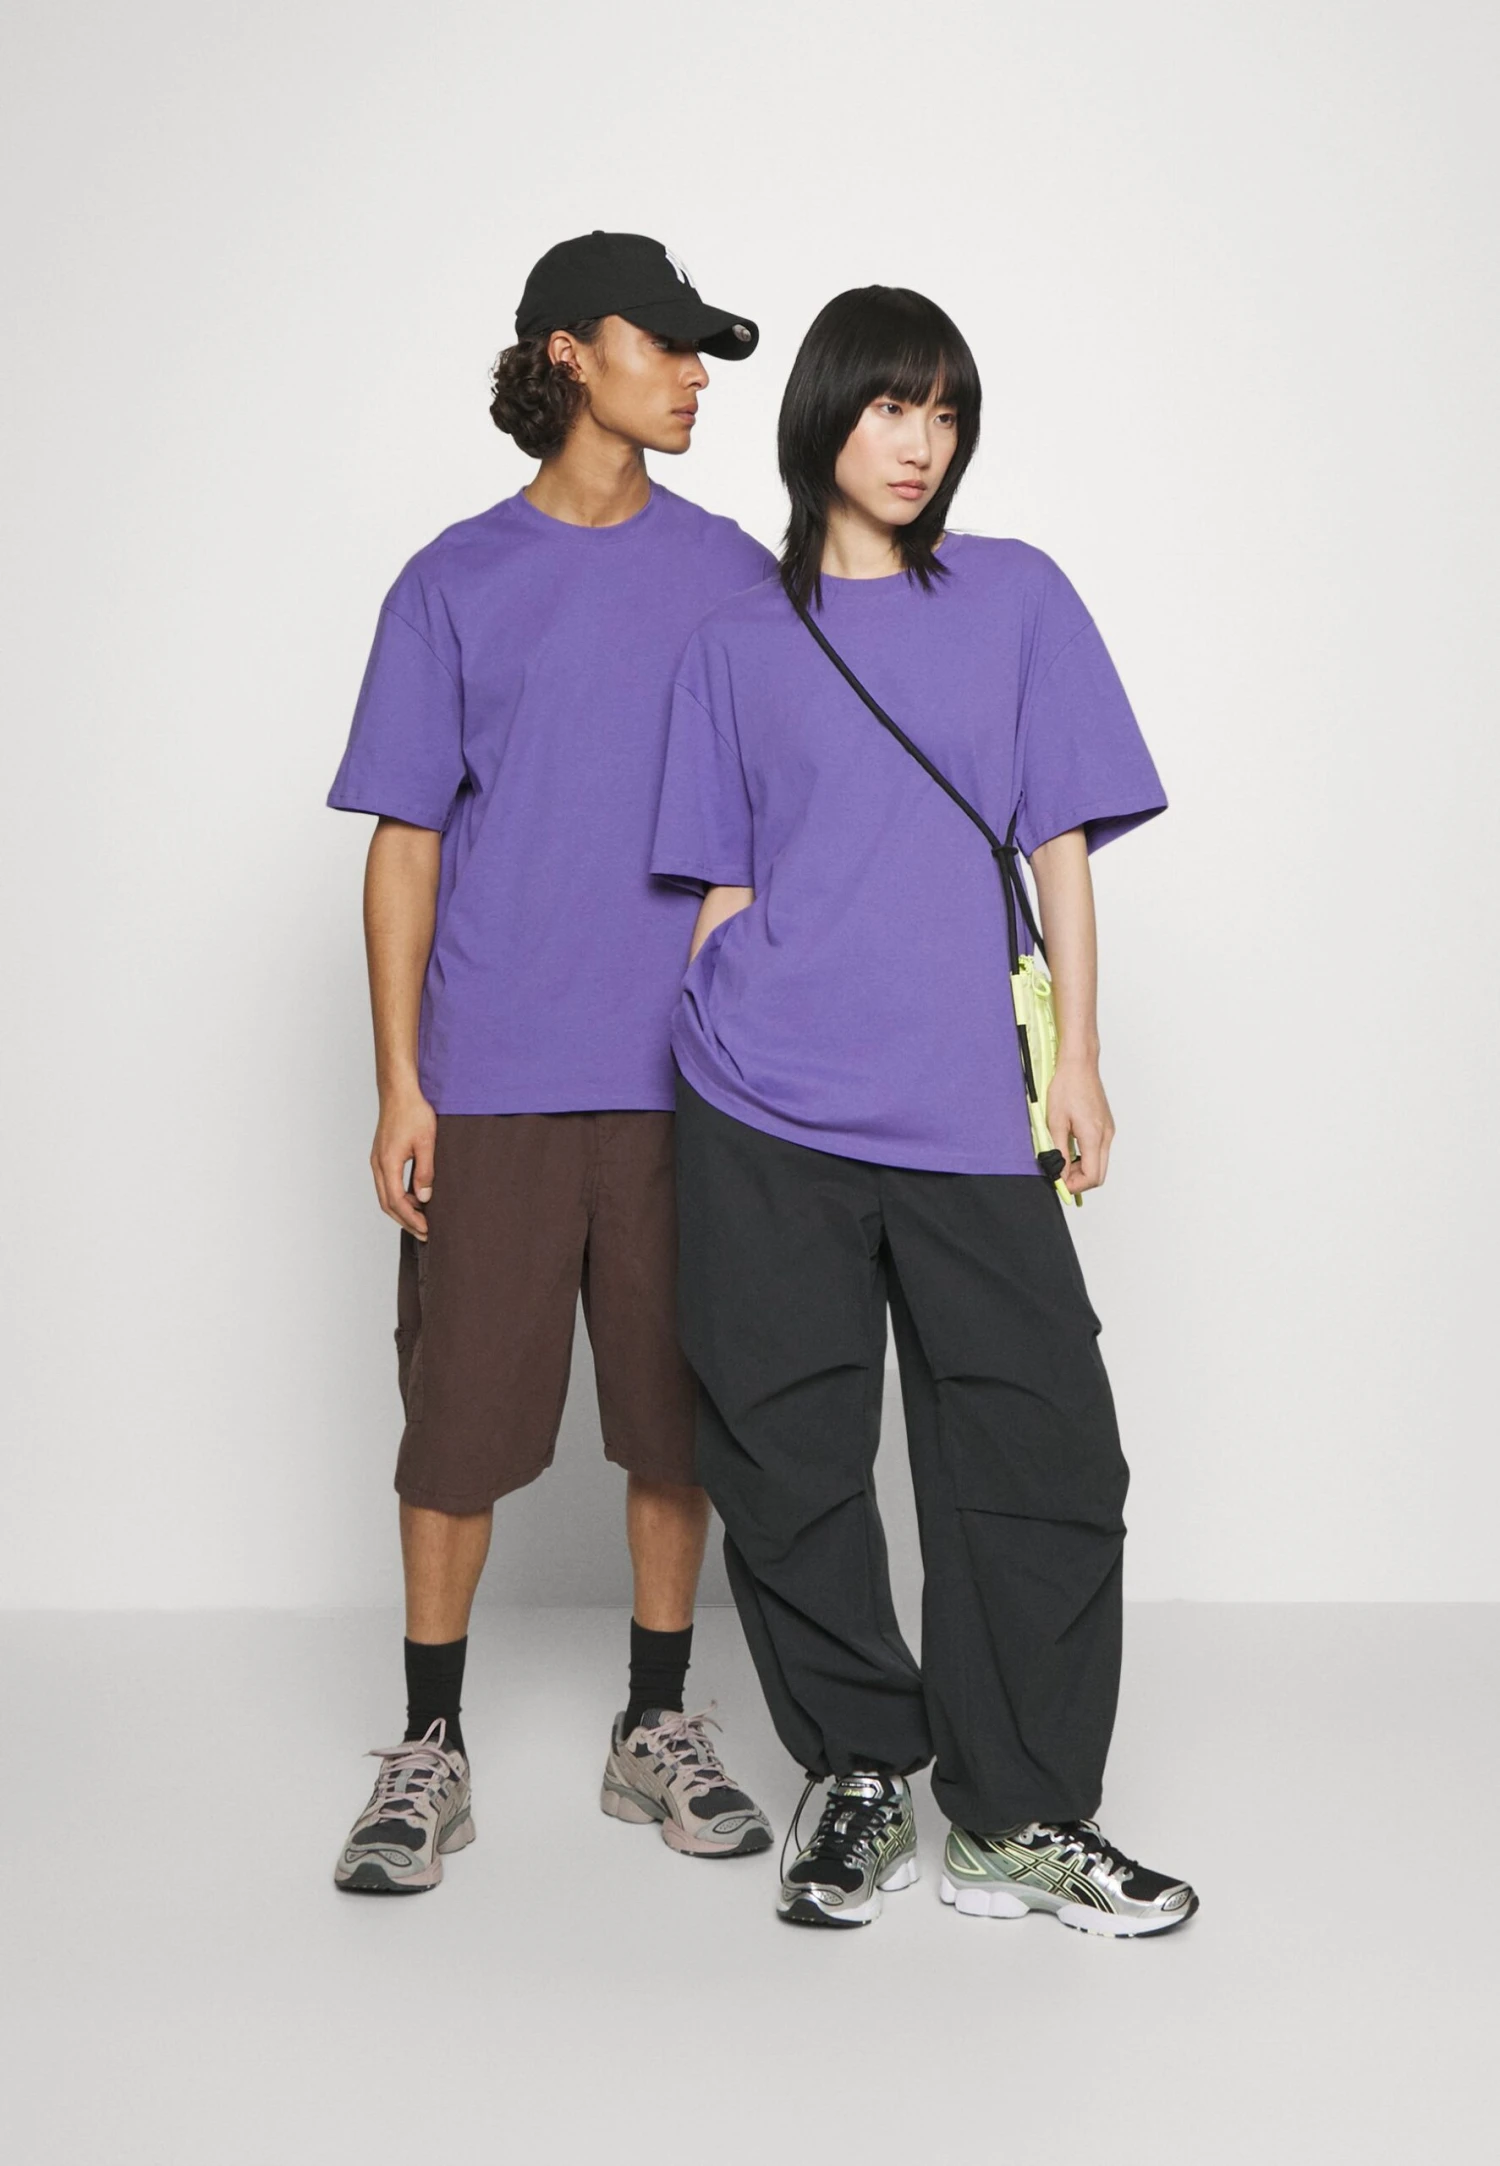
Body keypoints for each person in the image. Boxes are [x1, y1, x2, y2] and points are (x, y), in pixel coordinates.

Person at [650, 286, 1198, 1936]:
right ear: (826, 411)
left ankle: (1018, 1814)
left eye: (947, 412)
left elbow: (1060, 847)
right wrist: (715, 1016)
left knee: (1046, 1452)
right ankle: (861, 1771)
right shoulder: (735, 639)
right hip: (765, 1107)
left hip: (966, 1108)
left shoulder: (1017, 597)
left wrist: (1076, 1060)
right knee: (789, 1456)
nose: (922, 442)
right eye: (895, 405)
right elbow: (721, 882)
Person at [327, 232, 775, 1895]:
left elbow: (786, 813)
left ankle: (657, 1720)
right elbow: (403, 843)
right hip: (496, 1073)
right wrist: (402, 1081)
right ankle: (427, 1744)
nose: (697, 373)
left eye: (704, 350)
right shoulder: (453, 582)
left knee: (675, 1417)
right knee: (456, 1420)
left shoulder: (738, 575)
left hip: (690, 1080)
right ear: (572, 354)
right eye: (669, 343)